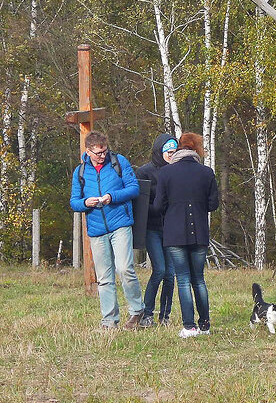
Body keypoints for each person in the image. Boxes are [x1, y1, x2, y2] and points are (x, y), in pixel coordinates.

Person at [70, 131, 145, 330]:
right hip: (96, 230)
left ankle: (137, 311)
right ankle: (109, 320)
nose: (102, 156)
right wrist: (86, 202)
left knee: (124, 268)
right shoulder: (80, 172)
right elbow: (74, 202)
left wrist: (112, 196)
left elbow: (133, 188)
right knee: (104, 278)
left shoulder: (119, 162)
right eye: (98, 153)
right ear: (88, 151)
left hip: (120, 223)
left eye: (104, 151)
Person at [153, 132, 219, 338]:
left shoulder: (165, 173)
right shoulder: (207, 173)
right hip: (199, 232)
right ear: (196, 149)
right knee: (198, 279)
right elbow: (213, 204)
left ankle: (189, 326)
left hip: (174, 233)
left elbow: (158, 205)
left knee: (182, 280)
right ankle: (205, 325)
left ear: (179, 148)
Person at [136, 133, 178, 327]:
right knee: (159, 270)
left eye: (174, 152)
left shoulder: (177, 171)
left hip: (172, 228)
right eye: (168, 152)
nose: (171, 155)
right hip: (152, 227)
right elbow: (141, 202)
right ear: (160, 151)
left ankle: (165, 315)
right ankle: (147, 313)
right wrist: (158, 207)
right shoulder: (145, 172)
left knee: (170, 274)